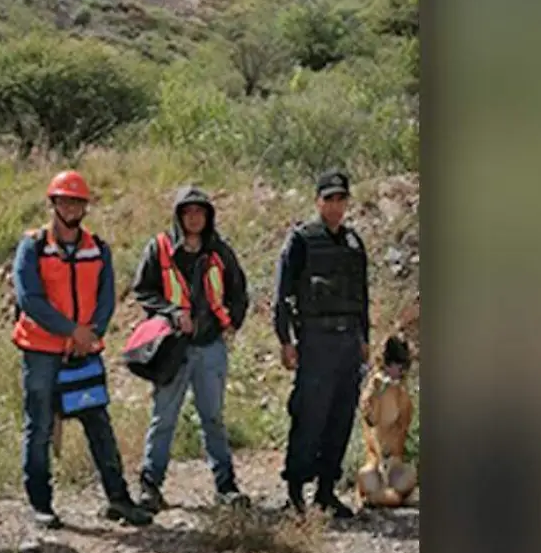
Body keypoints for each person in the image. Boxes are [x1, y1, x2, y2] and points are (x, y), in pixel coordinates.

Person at [11, 170, 154, 529]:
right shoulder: (33, 245)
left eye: (77, 201)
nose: (72, 207)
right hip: (42, 350)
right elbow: (30, 299)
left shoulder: (98, 248)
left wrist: (89, 336)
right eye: (65, 200)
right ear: (53, 203)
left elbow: (106, 298)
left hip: (85, 350)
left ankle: (118, 499)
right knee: (40, 426)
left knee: (98, 424)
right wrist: (70, 330)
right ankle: (41, 505)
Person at [130, 186, 252, 512]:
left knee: (212, 418)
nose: (194, 217)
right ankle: (150, 486)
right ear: (179, 215)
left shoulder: (220, 252)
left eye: (200, 211)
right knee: (164, 417)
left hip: (210, 347)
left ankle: (225, 486)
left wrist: (232, 322)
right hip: (172, 347)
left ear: (208, 216)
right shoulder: (159, 249)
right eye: (188, 211)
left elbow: (239, 291)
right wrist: (171, 314)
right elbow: (142, 290)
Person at [272, 169, 370, 519]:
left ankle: (326, 491)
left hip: (347, 341)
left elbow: (362, 297)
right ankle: (296, 491)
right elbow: (282, 295)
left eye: (341, 198)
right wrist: (286, 341)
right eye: (329, 198)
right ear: (318, 201)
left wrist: (364, 340)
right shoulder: (301, 240)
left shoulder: (353, 243)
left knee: (340, 416)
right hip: (314, 341)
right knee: (309, 415)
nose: (335, 205)